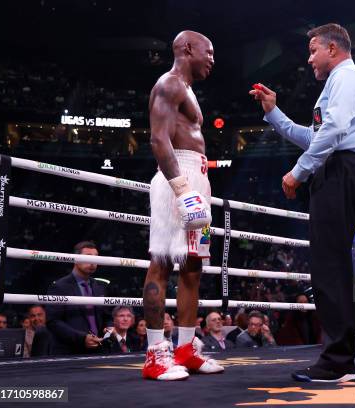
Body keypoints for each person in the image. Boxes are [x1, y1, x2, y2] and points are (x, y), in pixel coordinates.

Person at [250, 23, 355, 382]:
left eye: (313, 50)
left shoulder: (347, 77)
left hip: (340, 172)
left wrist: (299, 172)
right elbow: (313, 135)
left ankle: (337, 361)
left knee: (330, 267)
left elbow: (331, 133)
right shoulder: (338, 85)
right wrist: (274, 112)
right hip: (345, 172)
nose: (309, 59)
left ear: (333, 48)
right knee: (345, 265)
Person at [142, 30, 222, 381]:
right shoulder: (169, 84)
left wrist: (195, 191)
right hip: (178, 179)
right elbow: (158, 139)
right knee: (161, 263)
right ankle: (155, 355)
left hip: (198, 180)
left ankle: (186, 349)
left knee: (193, 267)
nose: (212, 59)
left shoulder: (187, 90)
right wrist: (182, 190)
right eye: (209, 51)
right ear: (188, 48)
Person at [46, 241, 111, 355]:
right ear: (75, 259)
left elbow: (106, 316)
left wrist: (109, 328)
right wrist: (82, 338)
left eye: (96, 258)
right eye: (88, 257)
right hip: (69, 351)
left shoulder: (99, 286)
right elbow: (53, 321)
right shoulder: (59, 286)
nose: (93, 262)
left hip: (98, 349)